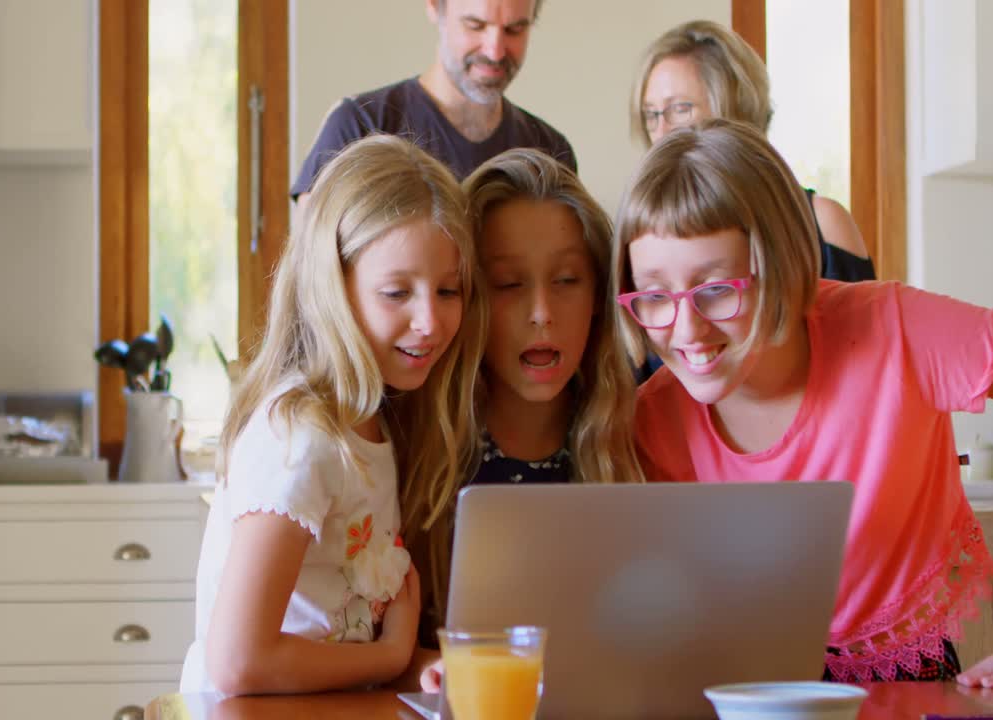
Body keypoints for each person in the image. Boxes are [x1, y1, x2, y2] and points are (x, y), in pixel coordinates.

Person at [612, 118, 993, 683]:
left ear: (779, 265)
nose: (687, 331)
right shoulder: (650, 421)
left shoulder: (893, 329)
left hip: (907, 688)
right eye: (654, 297)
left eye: (717, 290)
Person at [178, 134, 486, 695]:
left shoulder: (370, 424)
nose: (431, 321)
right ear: (332, 288)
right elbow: (238, 661)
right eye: (397, 293)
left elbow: (332, 633)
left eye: (448, 290)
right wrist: (392, 658)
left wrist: (418, 665)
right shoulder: (300, 438)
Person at [416, 148, 645, 692]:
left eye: (567, 279)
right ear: (467, 297)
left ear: (598, 296)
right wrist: (426, 668)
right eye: (509, 285)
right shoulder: (419, 447)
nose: (542, 311)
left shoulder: (639, 435)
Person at [631, 19, 874, 283]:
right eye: (650, 115)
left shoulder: (823, 224)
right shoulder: (645, 231)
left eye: (679, 109)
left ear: (735, 109)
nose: (661, 131)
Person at [291, 0, 575, 204]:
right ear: (434, 7)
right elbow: (309, 272)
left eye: (514, 29)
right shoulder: (358, 124)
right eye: (475, 25)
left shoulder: (550, 149)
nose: (495, 50)